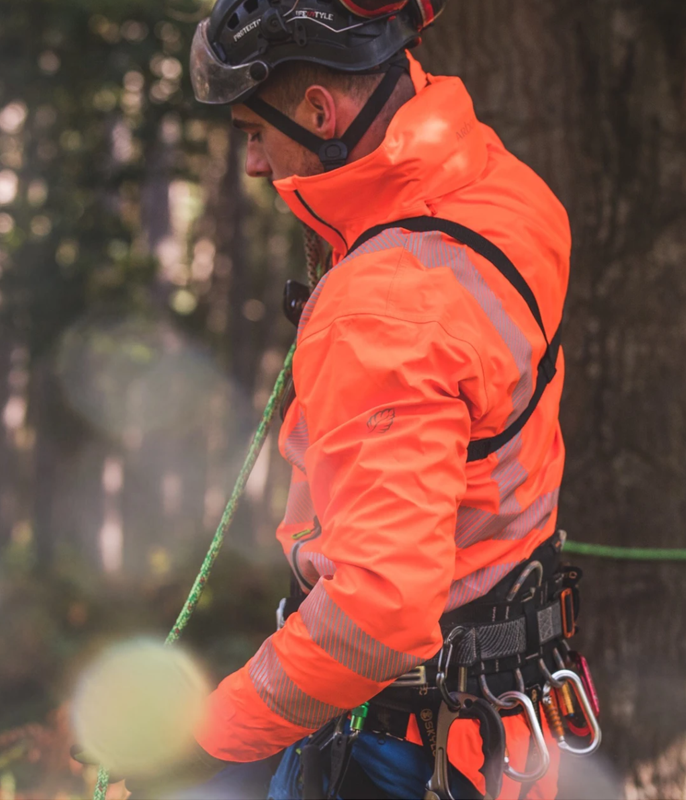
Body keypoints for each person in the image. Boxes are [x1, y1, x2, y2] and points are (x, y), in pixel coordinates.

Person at [147, 0, 596, 797]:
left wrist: (208, 736)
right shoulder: (503, 192)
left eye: (255, 132)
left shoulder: (385, 304)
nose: (253, 164)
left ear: (321, 113)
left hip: (403, 751)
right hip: (505, 727)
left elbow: (376, 614)